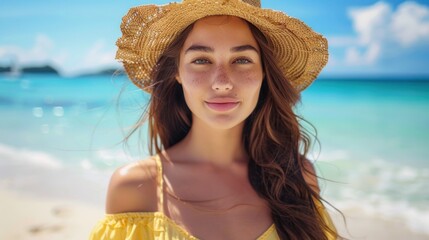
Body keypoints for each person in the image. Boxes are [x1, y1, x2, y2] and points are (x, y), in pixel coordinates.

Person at [90, 0, 338, 239]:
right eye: (201, 60)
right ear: (176, 72)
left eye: (242, 60)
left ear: (264, 72)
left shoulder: (296, 177)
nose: (222, 82)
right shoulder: (134, 189)